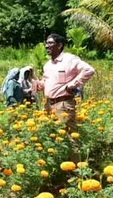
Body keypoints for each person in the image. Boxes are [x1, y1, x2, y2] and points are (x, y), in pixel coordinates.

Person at [39, 33, 95, 162]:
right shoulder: (47, 65)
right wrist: (39, 85)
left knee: (70, 137)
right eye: (46, 43)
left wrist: (72, 85)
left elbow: (89, 70)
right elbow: (46, 82)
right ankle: (60, 166)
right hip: (48, 103)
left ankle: (76, 170)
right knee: (52, 135)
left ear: (59, 45)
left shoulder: (69, 60)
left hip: (63, 103)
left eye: (50, 43)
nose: (47, 46)